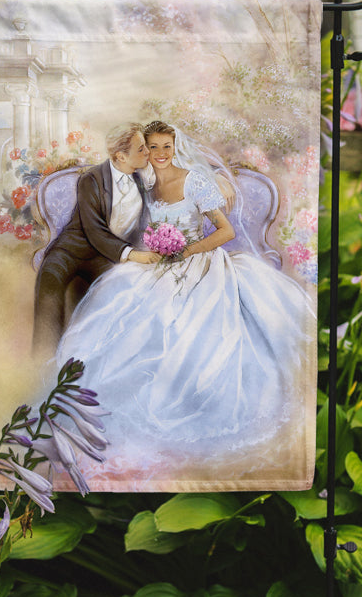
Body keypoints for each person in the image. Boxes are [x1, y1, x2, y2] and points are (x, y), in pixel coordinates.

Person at [52, 120, 316, 485]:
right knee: (126, 305)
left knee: (190, 326)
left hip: (199, 261)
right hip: (159, 262)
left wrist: (187, 249)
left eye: (166, 147)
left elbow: (227, 231)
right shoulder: (143, 181)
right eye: (152, 147)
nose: (159, 155)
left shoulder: (195, 181)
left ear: (175, 148)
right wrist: (156, 249)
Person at [32, 122, 158, 356]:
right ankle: (43, 363)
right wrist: (135, 254)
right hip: (71, 250)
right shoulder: (91, 179)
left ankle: (104, 361)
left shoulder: (142, 178)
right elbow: (95, 231)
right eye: (141, 149)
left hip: (105, 255)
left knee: (127, 290)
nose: (148, 152)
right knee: (50, 278)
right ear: (121, 156)